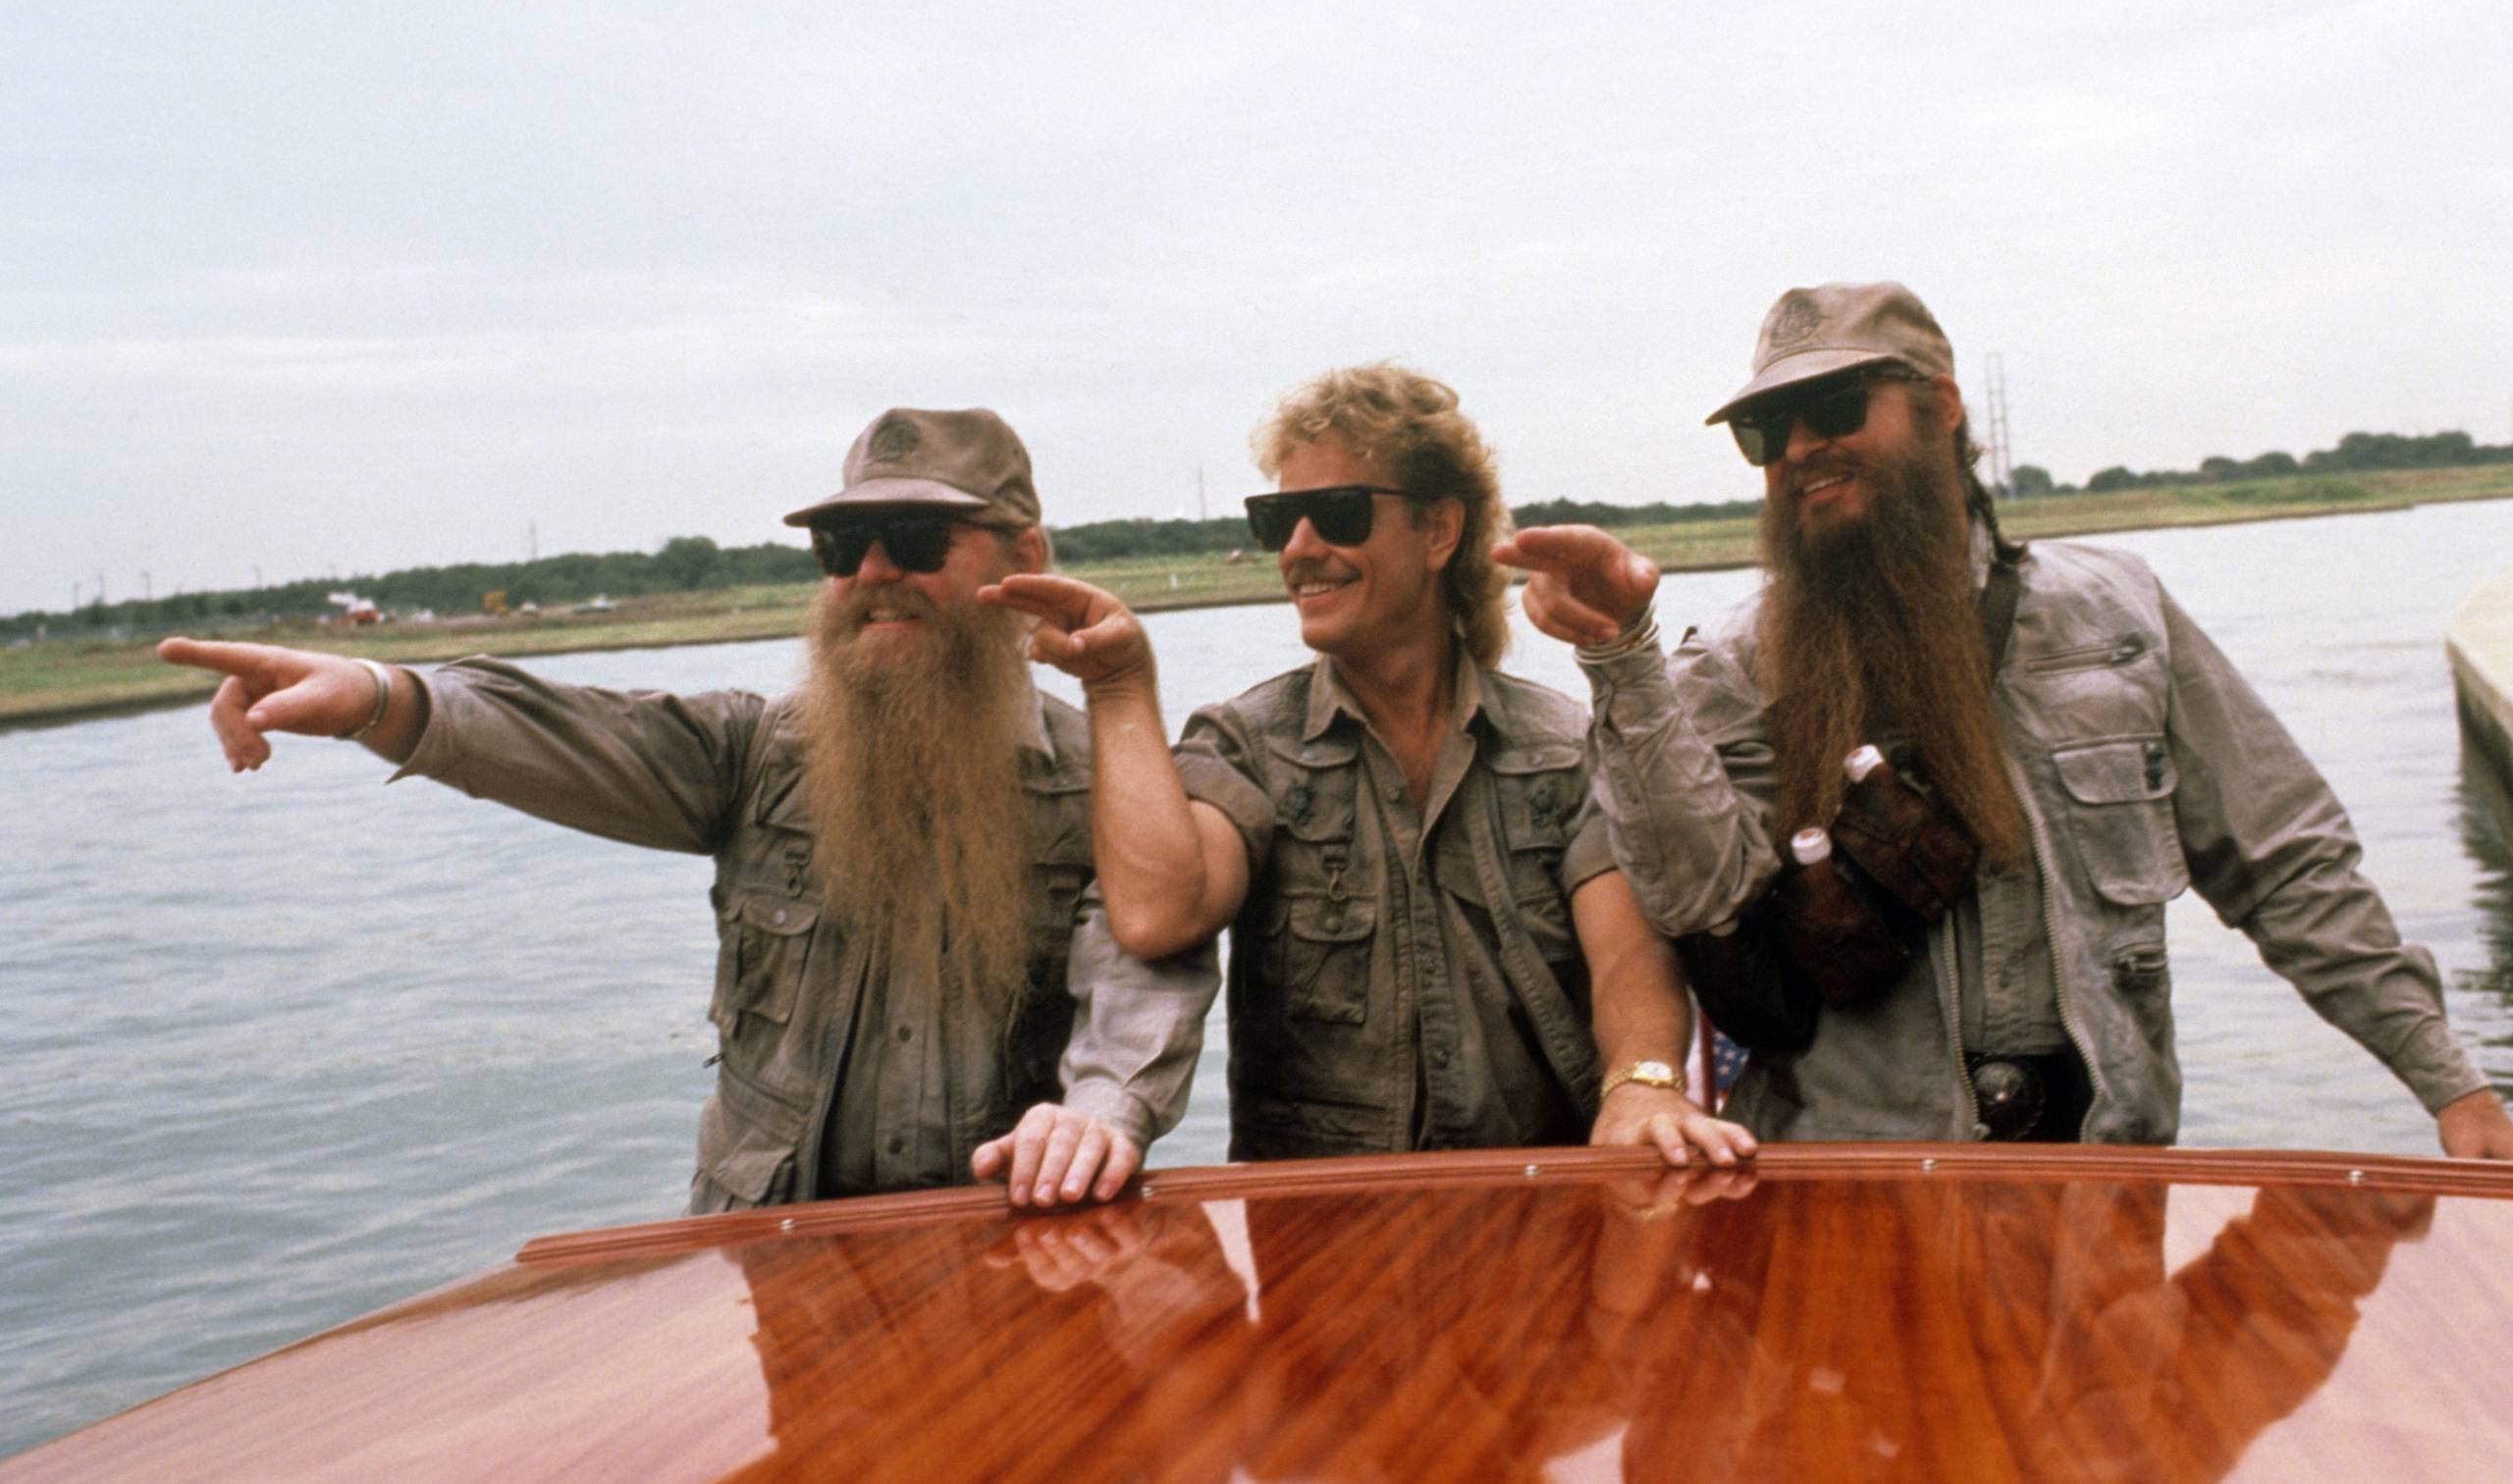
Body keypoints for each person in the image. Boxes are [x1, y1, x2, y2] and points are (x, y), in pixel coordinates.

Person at [1499, 281, 2513, 1154]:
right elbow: (1695, 899)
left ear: (1940, 407)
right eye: (1767, 430)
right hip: (1845, 1192)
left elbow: (2287, 866)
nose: (1801, 446)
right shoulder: (1724, 668)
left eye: (1834, 405)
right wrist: (1622, 657)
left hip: (2102, 1186)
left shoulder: (2119, 617)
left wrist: (2453, 1087)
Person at [159, 407, 1216, 1210]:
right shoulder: (750, 754)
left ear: (1024, 559)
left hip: (1008, 1243)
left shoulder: (1110, 782)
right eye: (843, 546)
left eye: (913, 537)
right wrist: (376, 695)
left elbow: (1146, 964)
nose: (873, 572)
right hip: (772, 1260)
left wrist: (1098, 1115)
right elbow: (564, 730)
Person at [985, 365, 1754, 1167]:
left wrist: (1641, 1082)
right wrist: (1119, 686)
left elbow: (1628, 954)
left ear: (1439, 530)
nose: (1298, 548)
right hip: (1317, 1216)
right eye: (1277, 519)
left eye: (1338, 513)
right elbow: (1158, 914)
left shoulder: (1562, 749)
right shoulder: (1247, 747)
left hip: (1535, 1204)